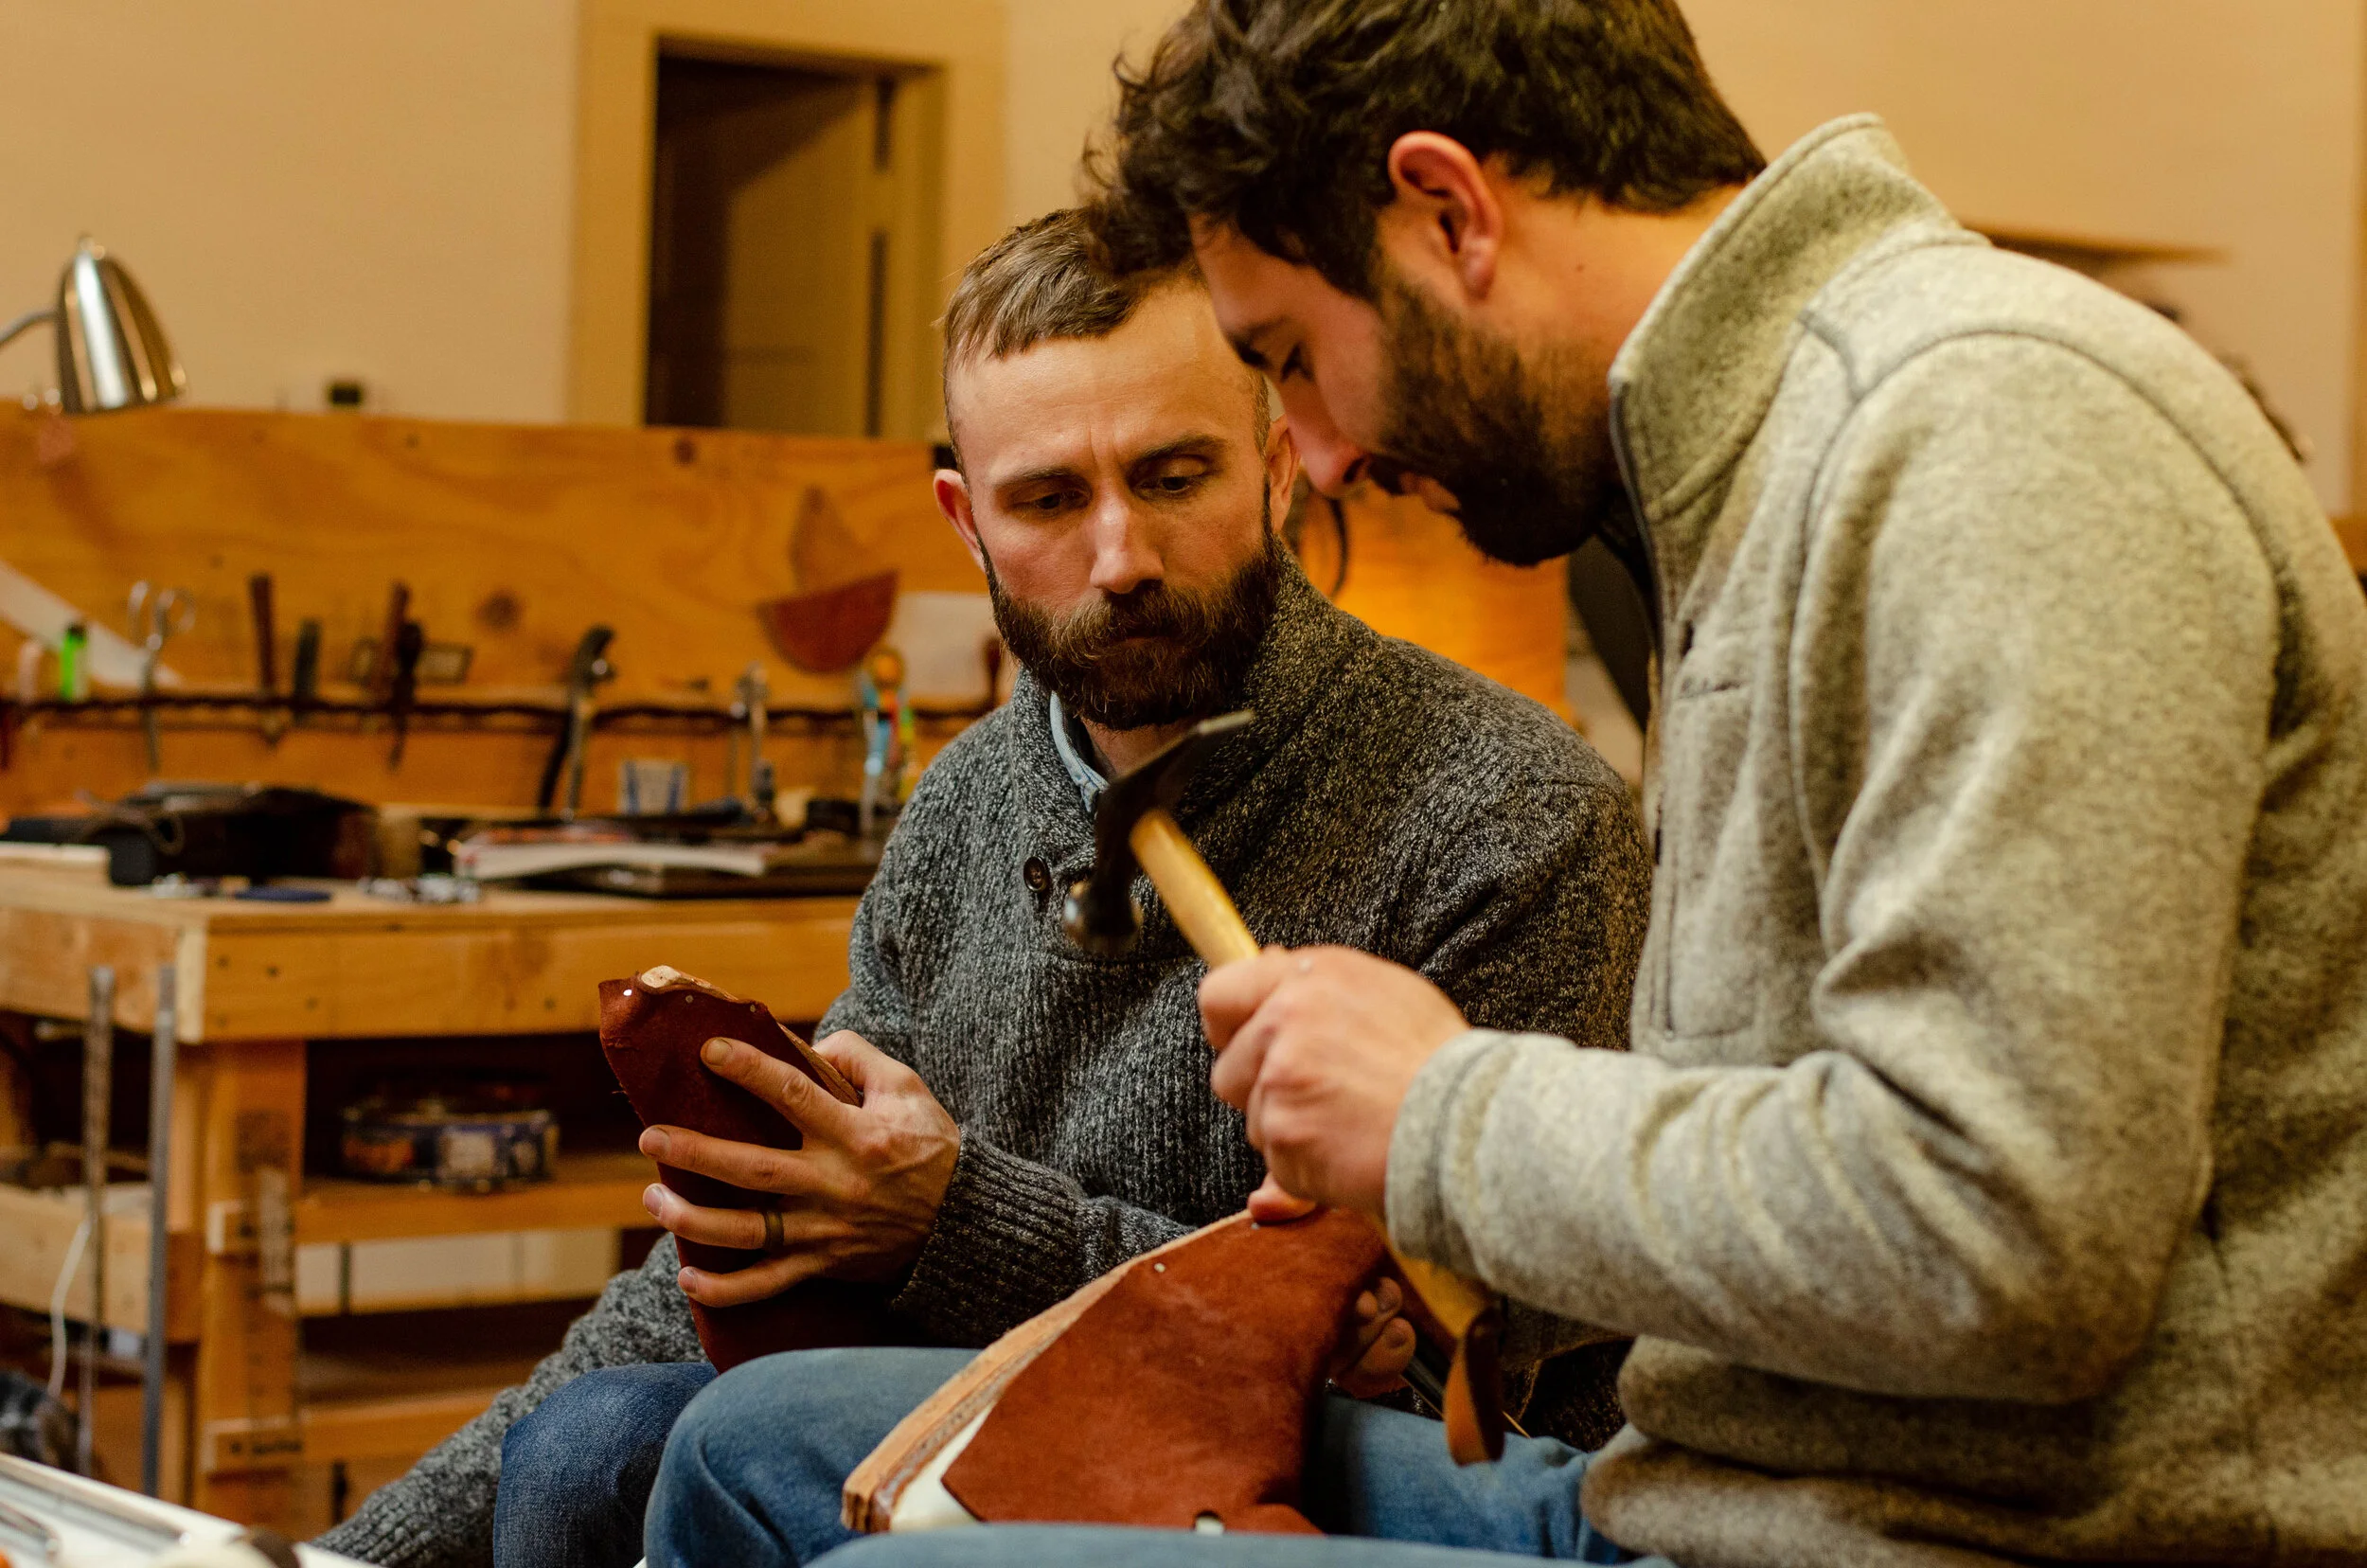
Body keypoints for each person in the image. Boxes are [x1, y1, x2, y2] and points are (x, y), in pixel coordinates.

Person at [651, 1, 2367, 1565]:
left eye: (1294, 360)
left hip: (1946, 1536)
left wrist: (1443, 1113)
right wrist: (1362, 1274)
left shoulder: (1989, 439)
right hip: (1699, 1491)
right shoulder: (1775, 467)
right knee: (747, 1443)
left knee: (915, 1555)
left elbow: (2008, 1242)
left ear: (1448, 211)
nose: (1314, 459)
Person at [315, 207, 1649, 1568]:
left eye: (1175, 476)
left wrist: (954, 1224)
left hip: (1370, 1489)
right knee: (588, 1449)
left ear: (1278, 464)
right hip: (983, 1426)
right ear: (966, 518)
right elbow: (735, 1252)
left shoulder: (1509, 815)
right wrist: (344, 1562)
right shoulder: (961, 811)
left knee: (734, 1445)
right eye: (1051, 500)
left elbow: (1442, 1392)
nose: (1120, 558)